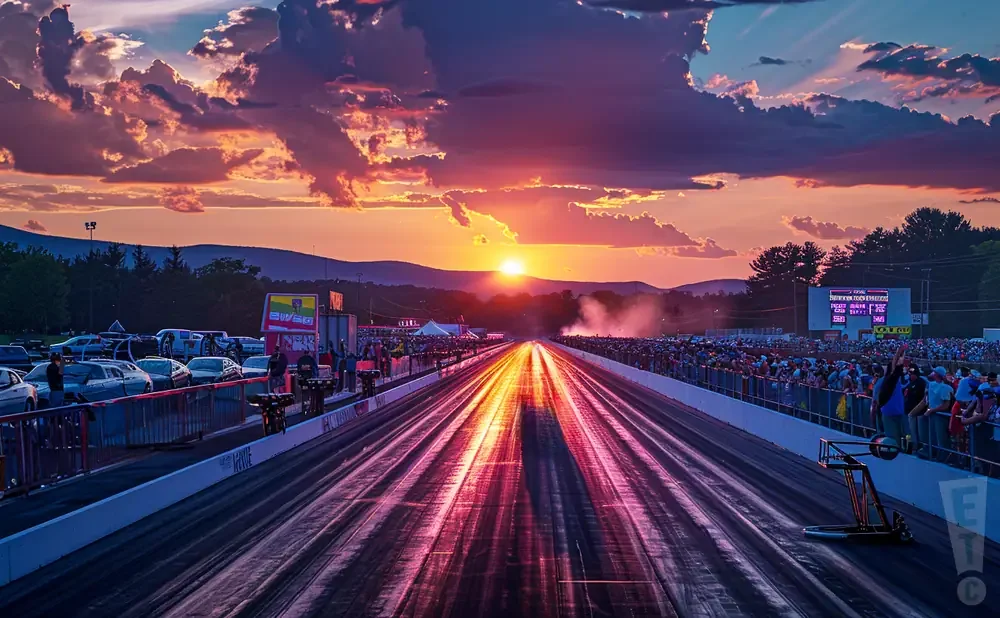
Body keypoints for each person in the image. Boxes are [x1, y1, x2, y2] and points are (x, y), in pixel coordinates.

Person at [877, 344, 907, 447]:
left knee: (900, 437)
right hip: (890, 411)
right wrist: (899, 352)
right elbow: (894, 365)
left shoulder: (896, 379)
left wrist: (901, 353)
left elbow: (895, 365)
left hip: (897, 411)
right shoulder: (890, 379)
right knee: (893, 438)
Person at [924, 366, 955, 461]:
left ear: (937, 375)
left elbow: (946, 405)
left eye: (934, 372)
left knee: (942, 438)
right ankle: (935, 455)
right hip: (932, 414)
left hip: (941, 415)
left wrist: (932, 410)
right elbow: (927, 399)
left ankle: (945, 458)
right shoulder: (930, 385)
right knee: (933, 436)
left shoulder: (946, 388)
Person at [903, 365, 928, 455]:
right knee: (910, 432)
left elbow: (923, 399)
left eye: (911, 374)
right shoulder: (909, 383)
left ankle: (917, 448)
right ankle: (912, 446)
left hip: (918, 412)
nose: (910, 375)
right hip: (909, 411)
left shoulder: (920, 383)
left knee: (918, 432)